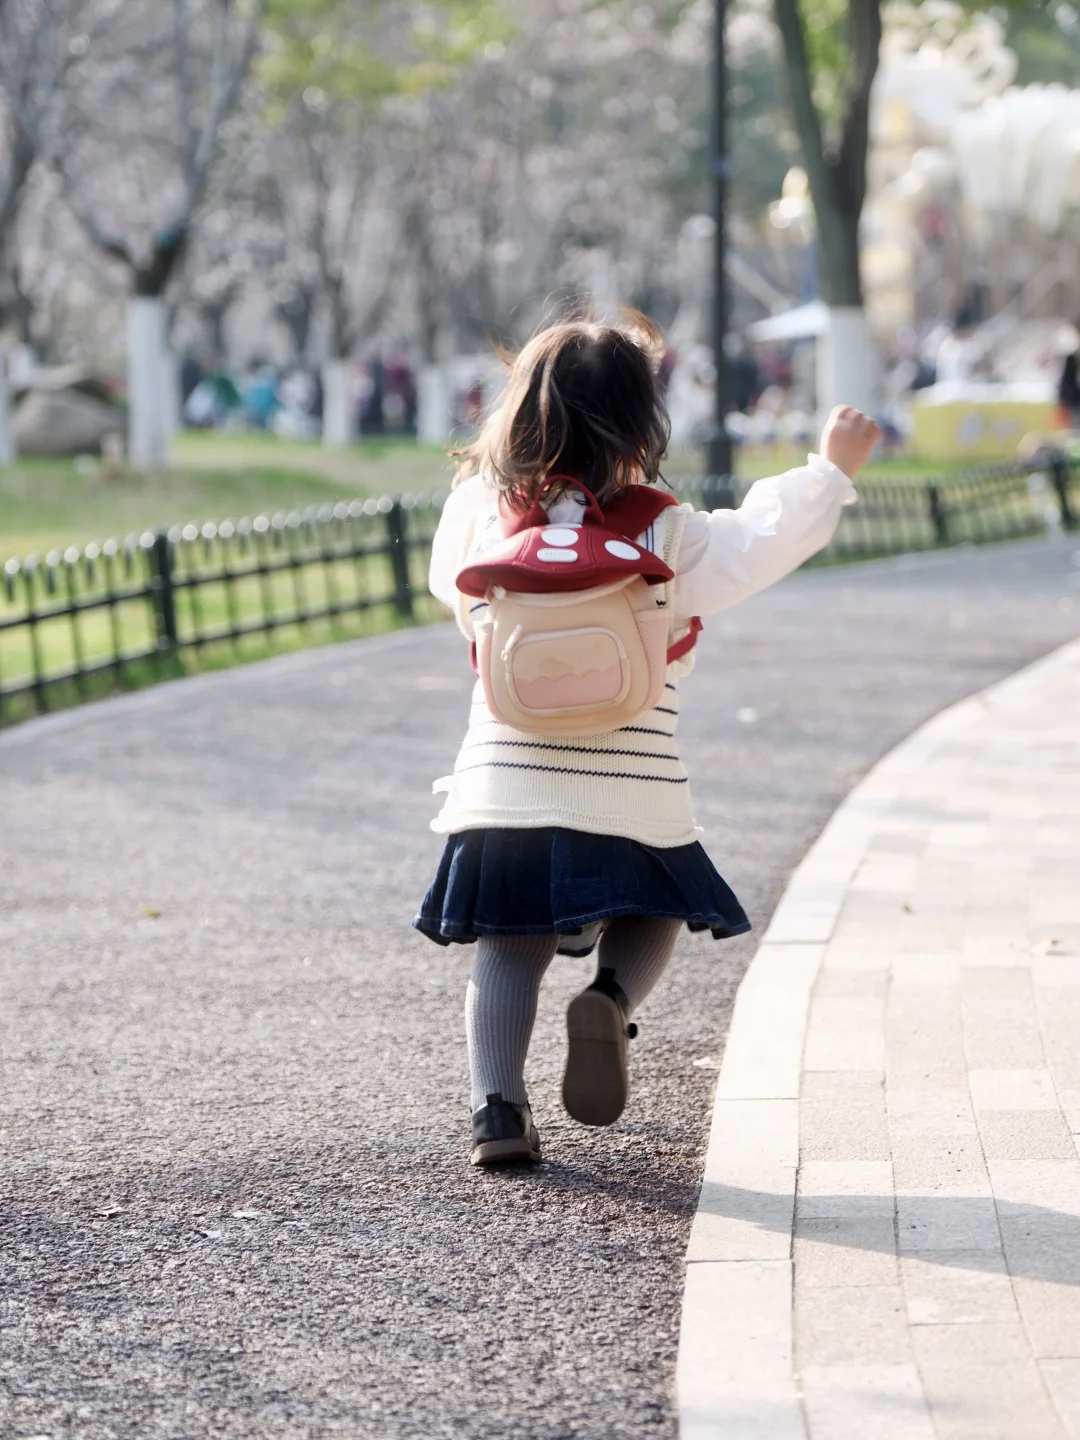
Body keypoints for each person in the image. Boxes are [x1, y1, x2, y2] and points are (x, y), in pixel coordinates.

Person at [414, 310, 880, 1167]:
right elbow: (762, 540)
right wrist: (829, 473)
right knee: (657, 906)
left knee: (509, 947)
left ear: (517, 415)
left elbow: (452, 583)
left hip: (506, 779)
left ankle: (497, 1111)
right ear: (642, 423)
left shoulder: (482, 521)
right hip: (634, 781)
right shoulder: (668, 533)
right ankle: (611, 996)